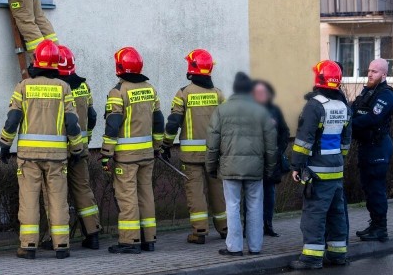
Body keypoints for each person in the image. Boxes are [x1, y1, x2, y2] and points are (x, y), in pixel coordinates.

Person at [0, 40, 84, 260]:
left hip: (29, 157)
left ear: (36, 61)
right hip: (57, 157)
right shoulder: (63, 88)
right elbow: (72, 123)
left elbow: (13, 119)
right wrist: (76, 149)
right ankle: (62, 245)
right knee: (57, 199)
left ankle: (28, 246)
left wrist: (5, 144)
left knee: (29, 199)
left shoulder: (23, 86)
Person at [100, 47, 166, 254]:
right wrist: (157, 147)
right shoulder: (150, 89)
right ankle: (149, 239)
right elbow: (159, 121)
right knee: (146, 195)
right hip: (147, 154)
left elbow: (113, 125)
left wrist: (106, 154)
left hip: (126, 158)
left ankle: (130, 241)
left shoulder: (118, 92)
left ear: (119, 67)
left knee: (127, 197)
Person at [289, 61, 352, 270]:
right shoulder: (343, 105)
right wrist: (338, 158)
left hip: (317, 171)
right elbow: (346, 141)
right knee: (337, 214)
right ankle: (337, 254)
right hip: (336, 169)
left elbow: (304, 141)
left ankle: (312, 257)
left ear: (319, 79)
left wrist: (296, 166)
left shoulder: (315, 106)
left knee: (314, 213)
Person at [206, 72, 277, 257]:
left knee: (232, 206)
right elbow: (271, 145)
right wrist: (269, 168)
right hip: (255, 168)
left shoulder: (222, 110)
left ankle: (234, 247)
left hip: (230, 167)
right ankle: (255, 247)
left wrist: (211, 167)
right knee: (255, 206)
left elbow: (212, 144)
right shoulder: (261, 111)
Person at [163, 49, 228, 244]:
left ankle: (199, 231)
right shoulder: (218, 94)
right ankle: (225, 228)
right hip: (215, 154)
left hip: (191, 156)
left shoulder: (184, 93)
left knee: (195, 191)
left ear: (191, 68)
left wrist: (166, 144)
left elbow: (173, 122)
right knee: (218, 190)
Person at [55, 45, 102, 248]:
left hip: (57, 151)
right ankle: (93, 235)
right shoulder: (84, 87)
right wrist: (87, 140)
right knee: (83, 190)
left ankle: (56, 239)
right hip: (81, 149)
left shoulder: (55, 88)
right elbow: (91, 117)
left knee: (56, 194)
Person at [351, 58, 393, 242]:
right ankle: (374, 224)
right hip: (366, 147)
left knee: (376, 189)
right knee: (368, 188)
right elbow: (354, 110)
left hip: (378, 147)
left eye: (374, 71)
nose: (369, 74)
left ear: (384, 74)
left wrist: (348, 125)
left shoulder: (386, 95)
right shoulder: (367, 92)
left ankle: (380, 228)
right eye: (369, 70)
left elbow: (372, 118)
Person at [252, 80, 291, 237]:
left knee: (269, 194)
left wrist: (279, 150)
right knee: (252, 195)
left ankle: (268, 224)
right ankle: (250, 227)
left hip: (272, 160)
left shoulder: (274, 110)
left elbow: (285, 132)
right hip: (254, 160)